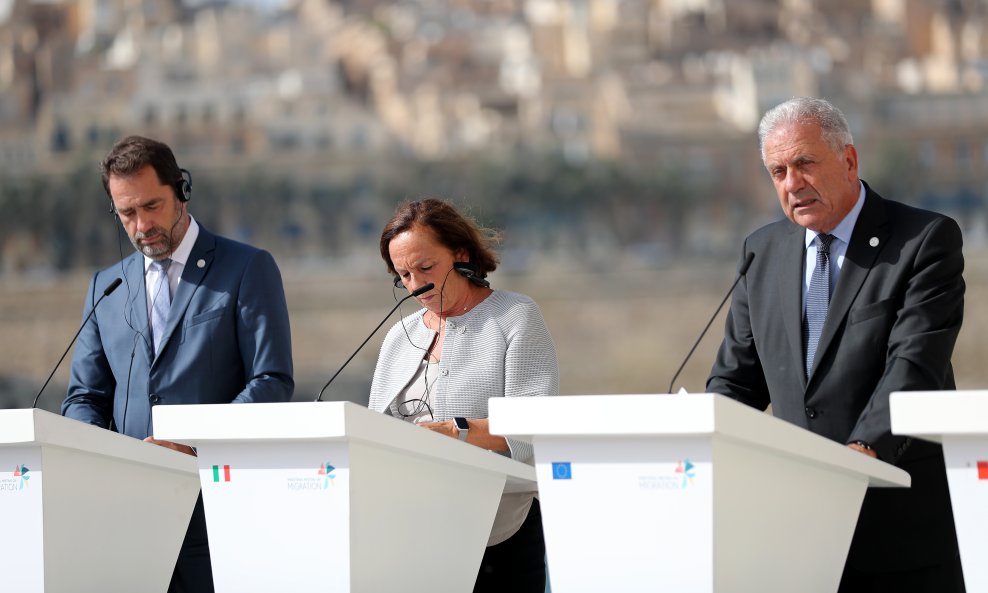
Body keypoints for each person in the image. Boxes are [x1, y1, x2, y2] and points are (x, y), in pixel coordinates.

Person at [707, 97, 965, 592]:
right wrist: (703, 443)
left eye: (804, 163)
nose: (791, 183)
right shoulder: (761, 251)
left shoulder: (923, 240)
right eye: (777, 171)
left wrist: (861, 452)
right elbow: (735, 381)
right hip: (796, 531)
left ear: (848, 161)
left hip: (898, 527)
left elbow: (913, 365)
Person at [61, 135, 294, 593]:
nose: (142, 224)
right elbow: (84, 397)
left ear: (181, 191)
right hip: (127, 516)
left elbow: (270, 380)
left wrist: (193, 446)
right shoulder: (104, 286)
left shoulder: (247, 267)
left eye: (152, 205)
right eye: (127, 213)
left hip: (220, 513)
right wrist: (101, 460)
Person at [369, 198, 558, 593]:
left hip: (502, 530)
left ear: (461, 254)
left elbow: (532, 428)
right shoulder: (395, 337)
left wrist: (452, 433)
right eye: (402, 275)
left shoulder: (515, 316)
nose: (415, 284)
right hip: (416, 530)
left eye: (425, 268)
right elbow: (373, 431)